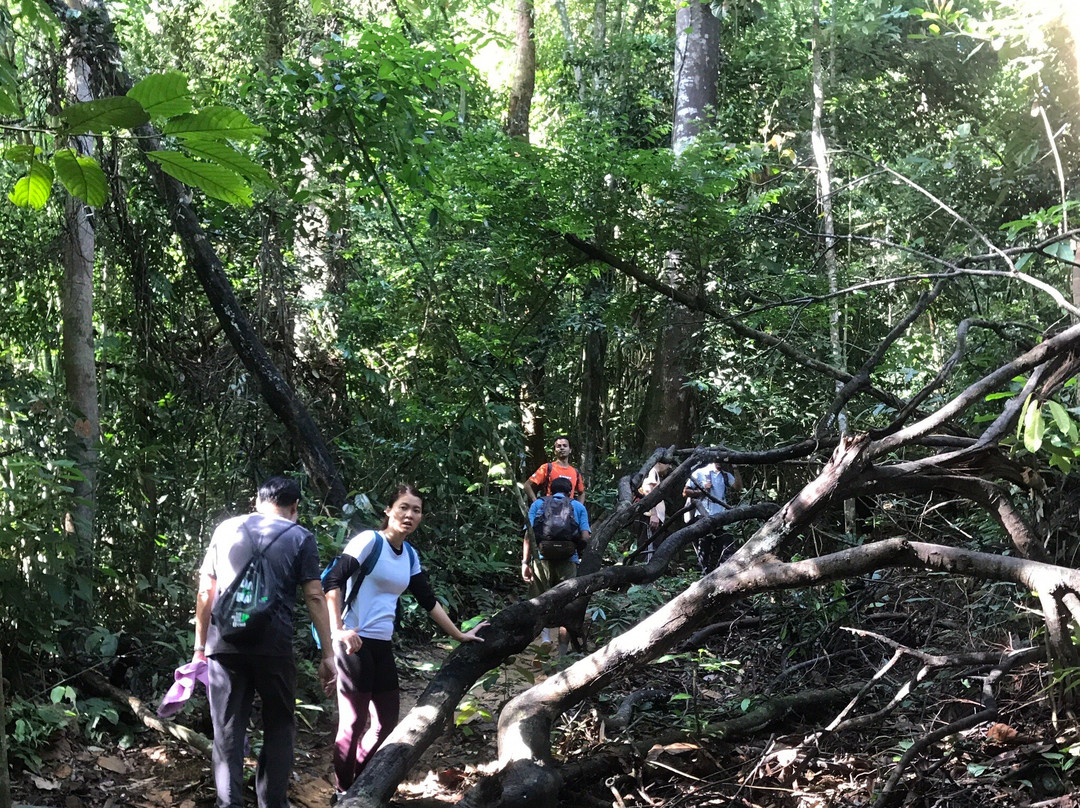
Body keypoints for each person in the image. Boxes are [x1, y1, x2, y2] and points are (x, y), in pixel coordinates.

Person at [323, 484, 487, 797]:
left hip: (382, 646)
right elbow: (332, 580)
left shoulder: (409, 554)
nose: (409, 515)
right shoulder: (369, 542)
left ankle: (358, 783)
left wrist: (459, 634)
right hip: (353, 643)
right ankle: (344, 792)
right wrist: (339, 629)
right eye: (403, 507)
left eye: (416, 510)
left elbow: (427, 599)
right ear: (388, 511)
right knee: (354, 723)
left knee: (385, 724)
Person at [193, 476, 335, 808]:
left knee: (227, 730)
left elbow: (205, 591)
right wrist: (328, 654)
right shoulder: (301, 537)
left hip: (224, 644)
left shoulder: (225, 529)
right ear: (295, 507)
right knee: (279, 726)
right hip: (274, 647)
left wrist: (200, 648)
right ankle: (273, 804)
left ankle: (229, 803)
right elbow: (315, 595)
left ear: (257, 501)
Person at [523, 476, 591, 653]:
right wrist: (577, 549)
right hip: (568, 560)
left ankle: (544, 639)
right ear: (571, 492)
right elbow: (585, 536)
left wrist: (525, 562)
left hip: (541, 559)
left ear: (550, 490)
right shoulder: (578, 506)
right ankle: (562, 653)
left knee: (541, 601)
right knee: (567, 603)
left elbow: (528, 535)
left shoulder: (538, 504)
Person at [683, 461, 743, 571]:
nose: (720, 462)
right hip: (703, 515)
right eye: (718, 459)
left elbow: (738, 487)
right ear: (712, 459)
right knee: (704, 546)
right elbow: (685, 492)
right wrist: (701, 490)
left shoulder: (725, 475)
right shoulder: (699, 473)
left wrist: (735, 469)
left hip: (722, 516)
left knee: (727, 546)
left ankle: (725, 572)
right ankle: (702, 573)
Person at [523, 435, 585, 504]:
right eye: (559, 446)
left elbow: (581, 493)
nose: (562, 448)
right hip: (549, 510)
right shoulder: (547, 468)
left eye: (565, 446)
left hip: (568, 512)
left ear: (570, 450)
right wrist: (536, 502)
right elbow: (527, 485)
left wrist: (579, 508)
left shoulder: (575, 472)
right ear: (555, 451)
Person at [636, 458, 672, 562]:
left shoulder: (653, 473)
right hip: (649, 517)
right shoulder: (652, 471)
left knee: (651, 546)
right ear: (659, 462)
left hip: (651, 516)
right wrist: (654, 514)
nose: (669, 467)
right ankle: (644, 573)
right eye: (668, 464)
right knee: (648, 548)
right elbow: (648, 491)